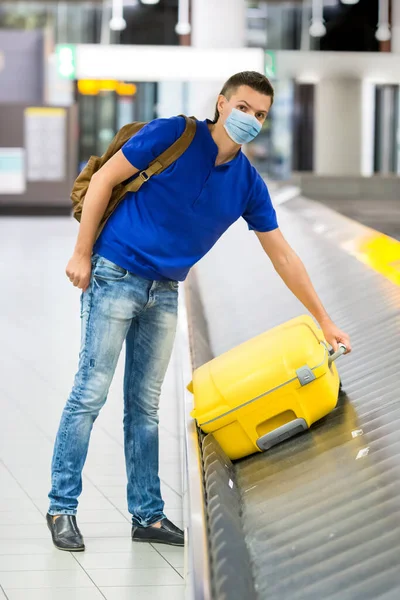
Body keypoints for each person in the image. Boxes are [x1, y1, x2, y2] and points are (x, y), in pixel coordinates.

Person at [47, 71, 352, 552]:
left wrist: (325, 319)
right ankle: (62, 507)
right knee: (90, 392)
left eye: (260, 115)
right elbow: (105, 178)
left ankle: (146, 514)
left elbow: (283, 256)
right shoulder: (174, 133)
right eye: (244, 107)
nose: (250, 119)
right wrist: (82, 254)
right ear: (222, 103)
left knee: (144, 408)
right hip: (114, 274)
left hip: (165, 291)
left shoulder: (247, 184)